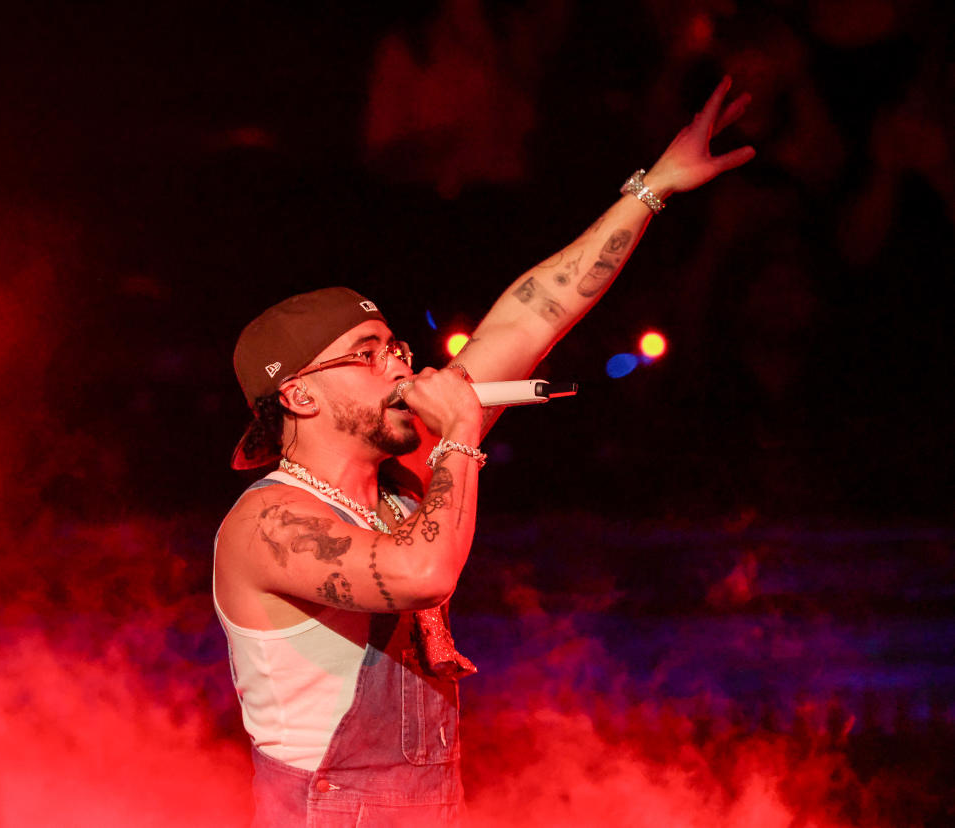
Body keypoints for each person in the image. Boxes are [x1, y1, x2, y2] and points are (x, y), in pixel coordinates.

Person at [214, 77, 755, 826]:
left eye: (397, 344)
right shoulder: (267, 521)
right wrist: (462, 436)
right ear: (300, 396)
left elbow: (534, 311)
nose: (401, 362)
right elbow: (420, 571)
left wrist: (654, 186)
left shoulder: (400, 481)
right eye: (368, 353)